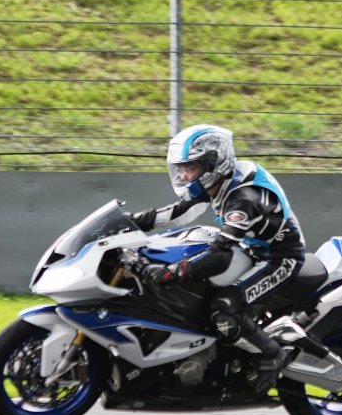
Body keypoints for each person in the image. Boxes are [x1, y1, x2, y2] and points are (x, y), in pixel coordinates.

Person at [130, 124, 306, 392]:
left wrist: (172, 271)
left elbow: (219, 255)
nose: (184, 175)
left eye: (190, 168)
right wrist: (129, 223)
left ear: (214, 163)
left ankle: (273, 354)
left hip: (279, 257)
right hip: (250, 248)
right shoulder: (219, 181)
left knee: (225, 307)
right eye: (181, 169)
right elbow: (179, 212)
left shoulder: (244, 199)